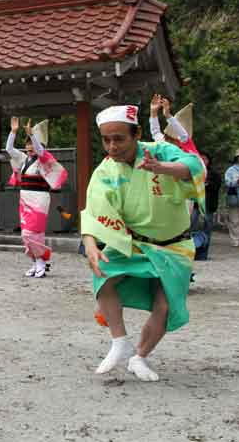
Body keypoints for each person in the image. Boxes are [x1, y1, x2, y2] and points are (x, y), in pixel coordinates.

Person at [81, 105, 205, 381]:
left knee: (165, 304)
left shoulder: (159, 151)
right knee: (103, 275)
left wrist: (163, 168)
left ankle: (140, 357)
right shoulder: (105, 171)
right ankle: (119, 340)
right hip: (135, 244)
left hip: (175, 245)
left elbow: (195, 166)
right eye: (106, 139)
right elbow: (93, 211)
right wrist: (90, 245)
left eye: (119, 139)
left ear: (136, 135)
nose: (112, 146)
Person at [6, 118, 68, 278]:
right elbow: (9, 149)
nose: (29, 147)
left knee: (33, 233)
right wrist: (13, 132)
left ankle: (41, 259)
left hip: (39, 199)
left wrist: (32, 135)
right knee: (25, 233)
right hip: (25, 198)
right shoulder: (24, 159)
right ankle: (35, 262)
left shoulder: (44, 158)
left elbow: (40, 150)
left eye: (32, 143)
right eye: (28, 144)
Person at [192, 152, 219, 260]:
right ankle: (193, 251)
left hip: (208, 204)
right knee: (192, 226)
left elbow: (216, 187)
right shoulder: (195, 172)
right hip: (196, 203)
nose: (203, 161)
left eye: (205, 159)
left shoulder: (214, 174)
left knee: (207, 227)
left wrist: (205, 184)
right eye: (201, 159)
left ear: (209, 160)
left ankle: (203, 254)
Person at [225, 150, 239, 247]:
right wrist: (236, 182)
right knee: (234, 220)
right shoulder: (231, 170)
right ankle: (236, 240)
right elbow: (227, 183)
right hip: (234, 197)